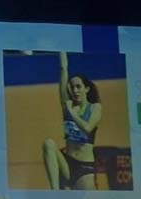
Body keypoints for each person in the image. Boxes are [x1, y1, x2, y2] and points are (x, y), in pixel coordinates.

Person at [43, 51, 103, 190]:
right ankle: (54, 192)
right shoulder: (67, 105)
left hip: (84, 167)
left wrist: (72, 114)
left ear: (86, 89)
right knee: (48, 143)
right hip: (66, 162)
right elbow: (63, 68)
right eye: (72, 87)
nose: (75, 90)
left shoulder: (95, 108)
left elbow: (87, 128)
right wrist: (62, 47)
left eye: (78, 87)